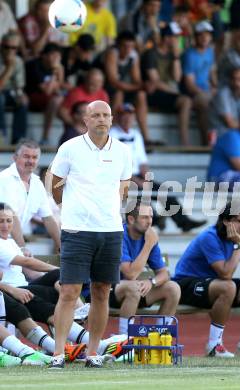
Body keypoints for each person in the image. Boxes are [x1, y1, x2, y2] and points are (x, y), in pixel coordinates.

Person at [50, 100, 132, 369]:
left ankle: (93, 353)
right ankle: (58, 353)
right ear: (85, 120)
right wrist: (72, 210)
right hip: (76, 229)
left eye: (105, 115)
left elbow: (124, 188)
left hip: (110, 230)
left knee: (101, 292)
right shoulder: (70, 148)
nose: (101, 119)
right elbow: (55, 186)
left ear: (111, 119)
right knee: (69, 291)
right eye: (95, 115)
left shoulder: (122, 151)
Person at [0, 203, 128, 363]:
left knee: (59, 287)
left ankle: (77, 326)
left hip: (22, 287)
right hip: (10, 291)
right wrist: (11, 289)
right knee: (36, 298)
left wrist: (57, 274)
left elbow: (29, 271)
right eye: (1, 221)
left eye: (8, 220)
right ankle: (72, 339)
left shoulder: (11, 242)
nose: (5, 225)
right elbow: (27, 262)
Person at [173, 201, 240, 357]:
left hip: (215, 285)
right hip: (186, 285)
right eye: (239, 221)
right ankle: (214, 345)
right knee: (228, 286)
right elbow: (225, 274)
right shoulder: (209, 237)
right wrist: (238, 245)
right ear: (226, 221)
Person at [110, 102, 207, 231]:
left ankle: (183, 222)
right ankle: (154, 219)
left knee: (164, 190)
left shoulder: (136, 134)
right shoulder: (111, 135)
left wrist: (146, 178)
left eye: (130, 115)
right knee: (139, 191)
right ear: (117, 117)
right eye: (124, 115)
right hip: (121, 179)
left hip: (137, 176)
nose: (127, 118)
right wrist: (135, 180)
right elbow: (116, 166)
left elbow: (142, 161)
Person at [109, 200, 181, 334]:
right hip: (106, 290)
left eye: (151, 217)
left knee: (173, 288)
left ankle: (160, 337)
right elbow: (130, 274)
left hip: (133, 291)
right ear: (131, 219)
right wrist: (148, 245)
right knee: (133, 286)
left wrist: (151, 282)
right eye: (144, 217)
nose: (149, 222)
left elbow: (164, 274)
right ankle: (125, 339)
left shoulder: (148, 237)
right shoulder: (119, 235)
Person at [0, 139, 61, 254]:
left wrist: (61, 246)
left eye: (34, 157)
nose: (30, 161)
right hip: (4, 244)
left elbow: (48, 218)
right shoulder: (3, 179)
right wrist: (22, 248)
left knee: (44, 270)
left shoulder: (37, 183)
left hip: (12, 245)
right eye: (26, 156)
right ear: (15, 158)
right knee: (38, 270)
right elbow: (11, 216)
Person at [141, 24, 191, 145]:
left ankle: (184, 141)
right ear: (167, 38)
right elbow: (155, 81)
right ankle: (185, 142)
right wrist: (175, 92)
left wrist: (175, 56)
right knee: (186, 101)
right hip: (153, 93)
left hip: (167, 92)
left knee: (187, 101)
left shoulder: (172, 54)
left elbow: (177, 77)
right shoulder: (151, 54)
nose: (178, 41)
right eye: (176, 37)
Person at [103, 30, 152, 145]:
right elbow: (113, 81)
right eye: (125, 46)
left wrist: (142, 86)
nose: (128, 49)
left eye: (131, 46)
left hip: (122, 88)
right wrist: (138, 86)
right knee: (119, 93)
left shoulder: (133, 55)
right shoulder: (112, 53)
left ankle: (145, 137)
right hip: (106, 89)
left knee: (141, 95)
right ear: (118, 45)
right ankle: (111, 134)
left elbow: (137, 80)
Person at [182, 20, 216, 145]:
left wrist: (215, 89)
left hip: (206, 91)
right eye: (201, 35)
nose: (204, 38)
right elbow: (190, 85)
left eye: (207, 34)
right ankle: (207, 142)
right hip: (193, 94)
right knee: (206, 102)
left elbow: (212, 74)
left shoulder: (210, 52)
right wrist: (207, 93)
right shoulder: (189, 55)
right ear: (196, 37)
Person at [25, 42, 64, 144]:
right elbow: (47, 91)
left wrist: (59, 71)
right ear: (44, 55)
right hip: (31, 97)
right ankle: (45, 137)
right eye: (53, 55)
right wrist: (55, 71)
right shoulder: (34, 66)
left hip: (47, 97)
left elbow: (58, 87)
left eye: (58, 55)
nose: (56, 58)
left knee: (61, 99)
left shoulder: (58, 67)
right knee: (55, 100)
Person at [0, 31, 28, 144]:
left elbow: (19, 86)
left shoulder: (18, 61)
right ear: (1, 45)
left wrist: (20, 95)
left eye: (14, 48)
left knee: (23, 101)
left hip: (10, 92)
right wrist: (9, 68)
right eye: (7, 47)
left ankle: (18, 138)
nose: (10, 51)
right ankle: (1, 134)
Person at [208, 67, 240, 136]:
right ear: (230, 80)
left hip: (236, 134)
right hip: (221, 134)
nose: (236, 83)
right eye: (234, 79)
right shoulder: (222, 94)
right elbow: (230, 123)